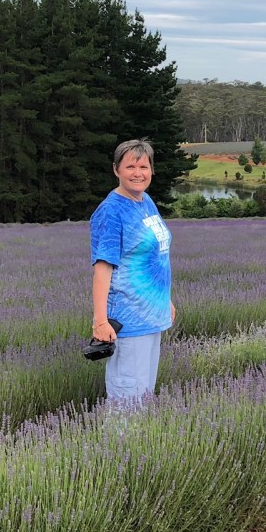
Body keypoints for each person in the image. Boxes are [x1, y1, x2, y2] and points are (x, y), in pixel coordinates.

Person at [89, 138, 175, 402]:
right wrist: (100, 321)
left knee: (144, 398)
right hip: (129, 320)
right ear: (116, 170)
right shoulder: (112, 211)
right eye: (130, 167)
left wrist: (165, 299)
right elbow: (102, 269)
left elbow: (154, 257)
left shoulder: (145, 201)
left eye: (143, 167)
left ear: (151, 170)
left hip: (152, 317)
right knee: (126, 404)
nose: (138, 173)